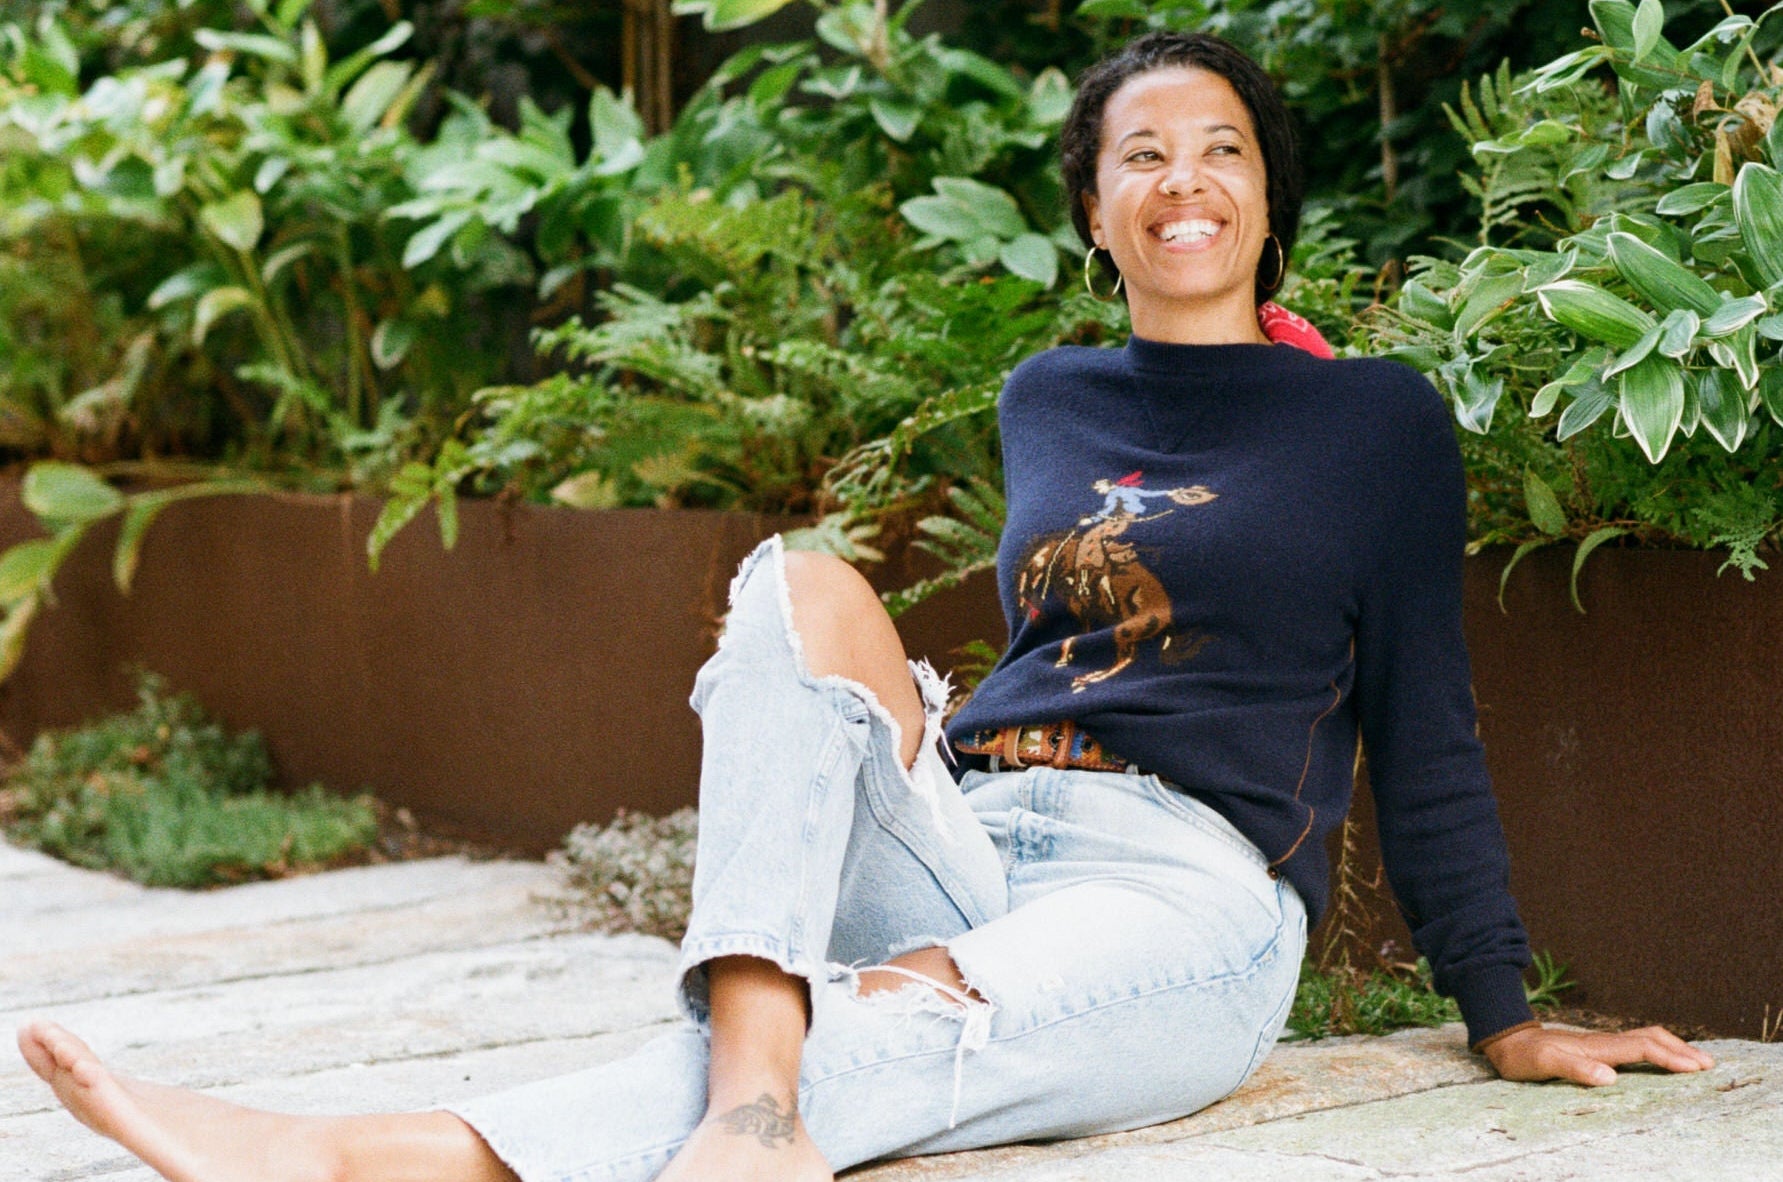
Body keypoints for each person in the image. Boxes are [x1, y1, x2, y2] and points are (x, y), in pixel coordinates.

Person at [14, 29, 1715, 1182]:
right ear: (1096, 206)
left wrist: (1500, 1006)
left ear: (1267, 196)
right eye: (1142, 154)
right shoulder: (1047, 394)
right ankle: (757, 1108)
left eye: (1223, 149)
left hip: (1186, 897)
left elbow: (1427, 719)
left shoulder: (1377, 423)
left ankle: (375, 1156)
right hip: (977, 825)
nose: (1184, 179)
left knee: (904, 1016)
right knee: (795, 580)